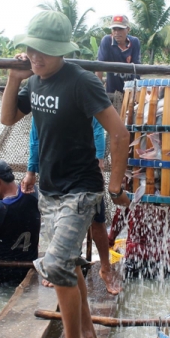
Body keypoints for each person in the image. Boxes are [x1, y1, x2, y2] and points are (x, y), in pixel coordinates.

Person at [1, 11, 130, 338]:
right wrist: (15, 78)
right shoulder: (35, 81)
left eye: (44, 51)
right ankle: (87, 337)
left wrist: (115, 186)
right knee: (67, 267)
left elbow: (119, 134)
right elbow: (8, 118)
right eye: (31, 50)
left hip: (81, 189)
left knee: (56, 266)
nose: (36, 57)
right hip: (50, 189)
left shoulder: (81, 81)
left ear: (62, 51)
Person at [23, 117, 121, 294]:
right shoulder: (42, 95)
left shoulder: (80, 91)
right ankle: (60, 264)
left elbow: (98, 127)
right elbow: (35, 136)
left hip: (84, 171)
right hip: (53, 169)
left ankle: (105, 268)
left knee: (97, 221)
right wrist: (31, 170)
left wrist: (99, 160)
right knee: (55, 219)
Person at [95, 15, 141, 93]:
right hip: (112, 90)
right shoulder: (107, 41)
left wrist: (136, 91)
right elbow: (99, 67)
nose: (117, 32)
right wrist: (97, 91)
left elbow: (137, 70)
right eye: (114, 29)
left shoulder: (134, 42)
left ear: (128, 29)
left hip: (130, 91)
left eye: (120, 29)